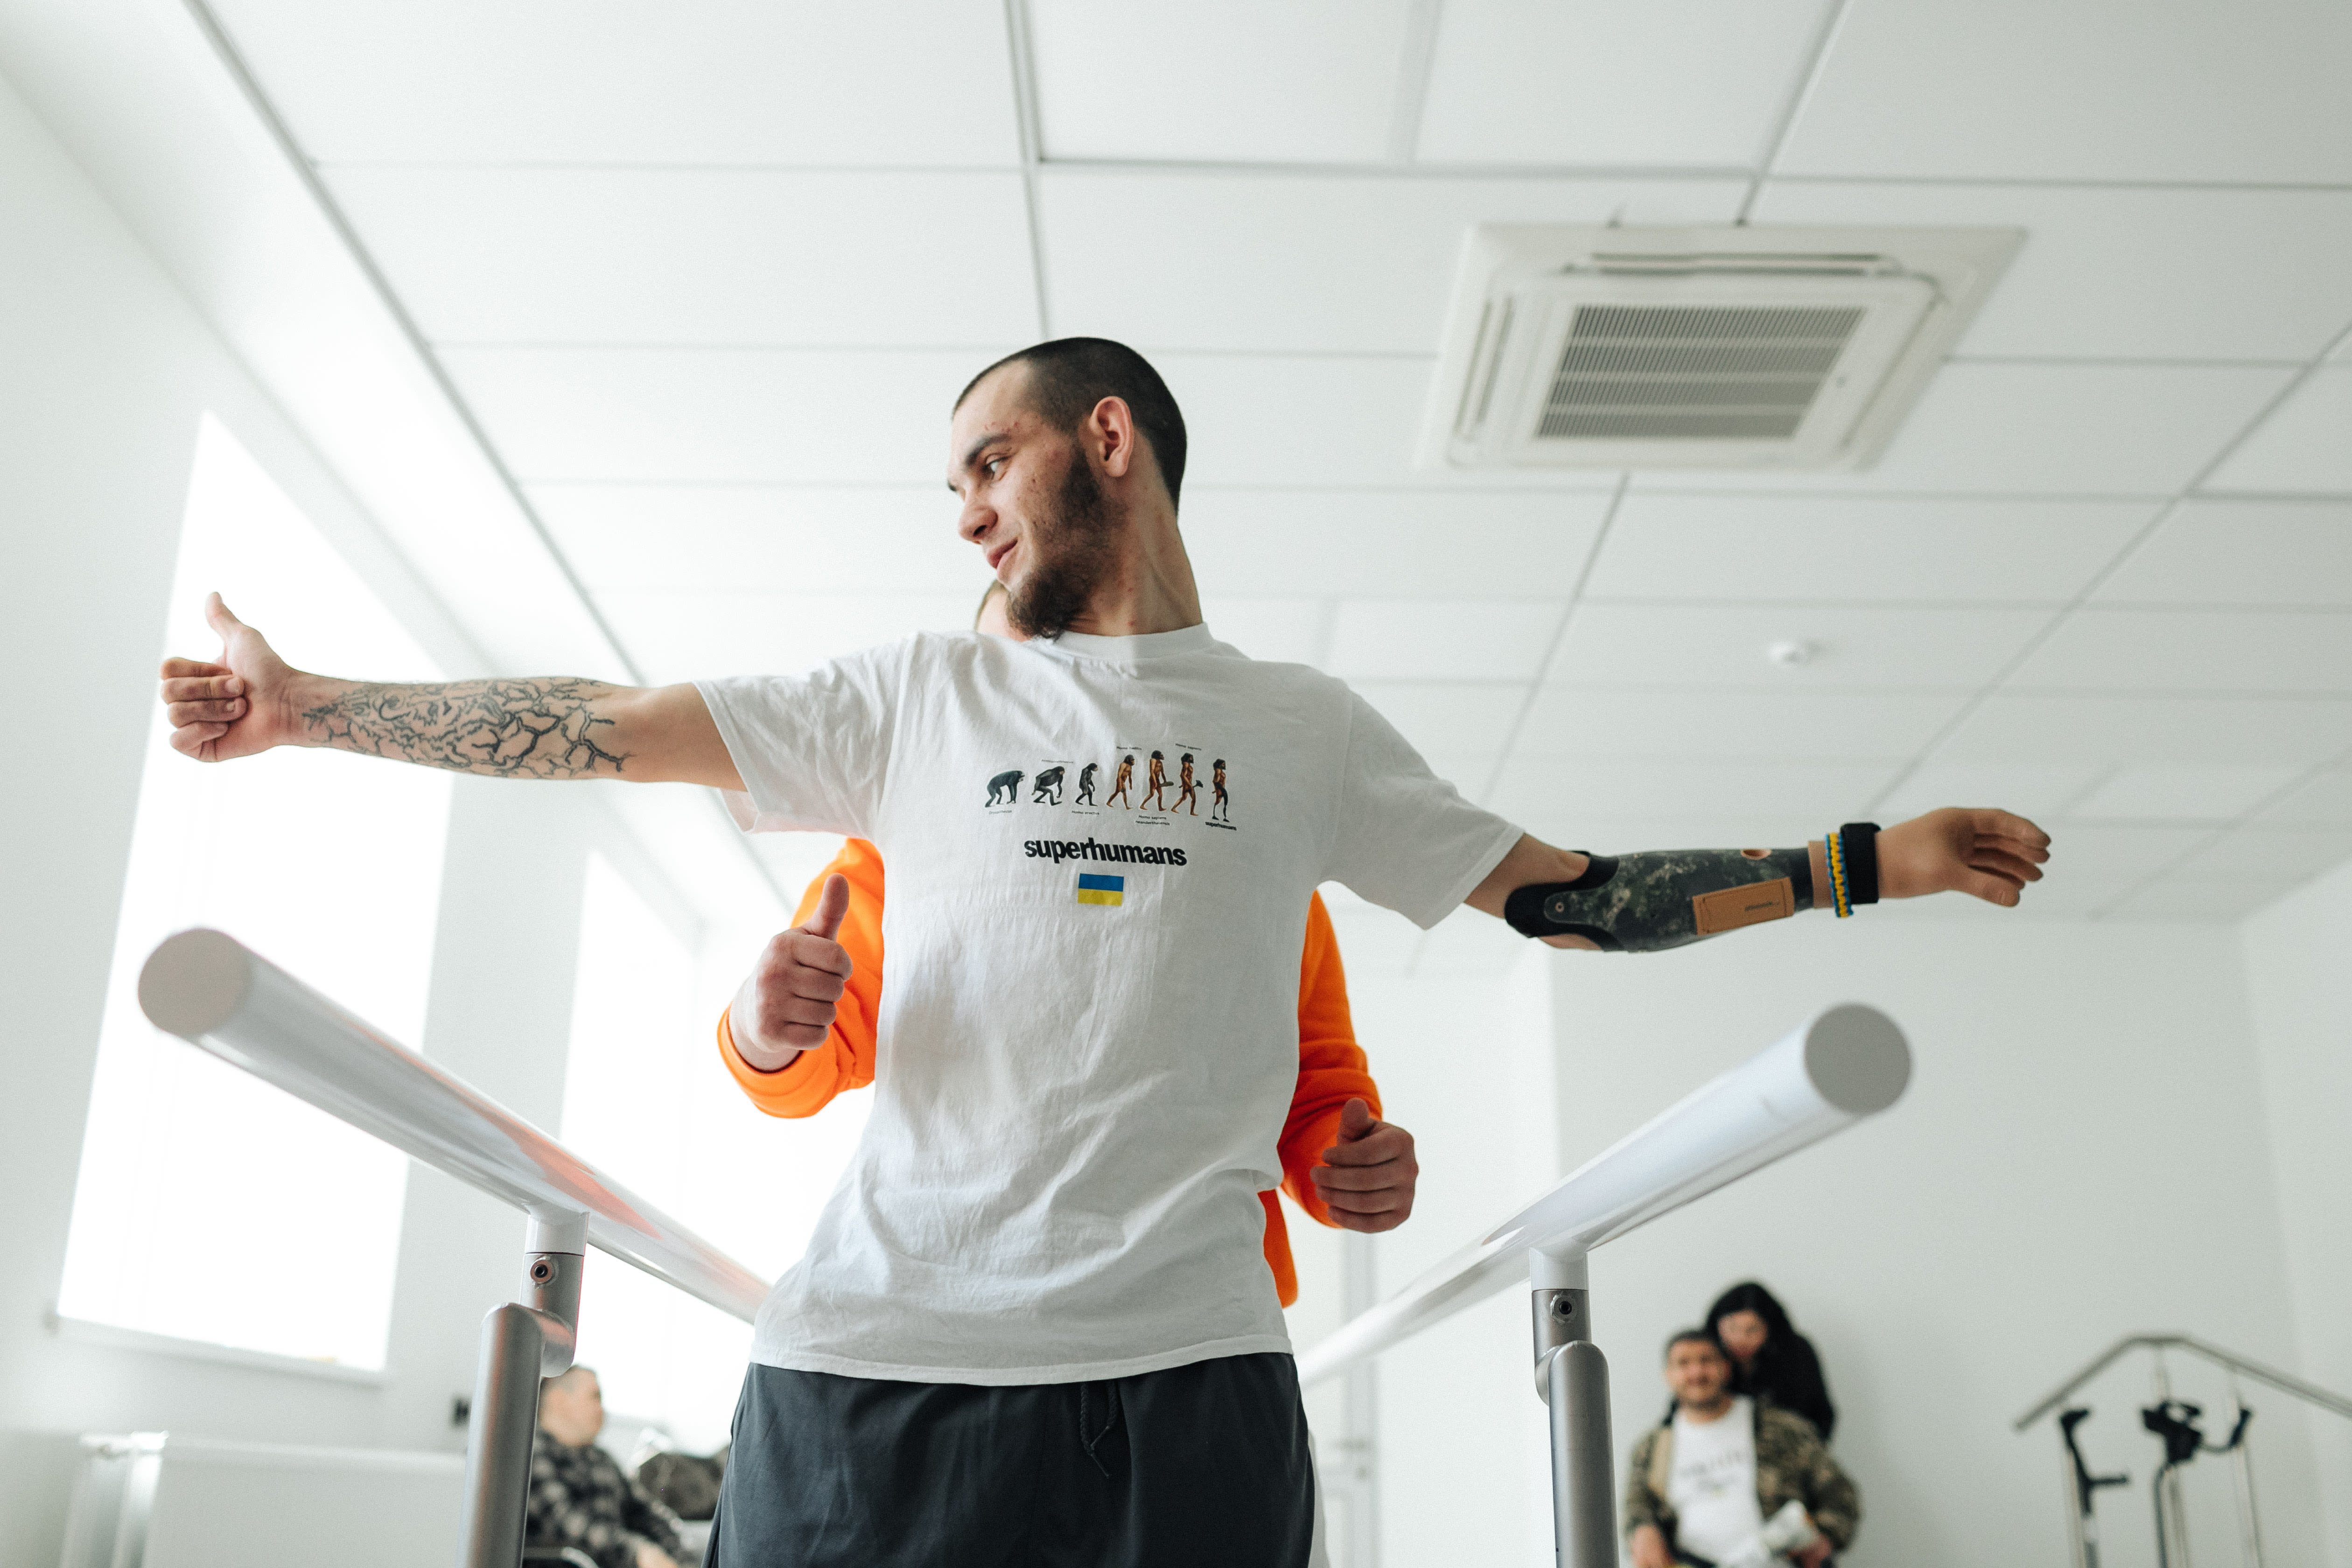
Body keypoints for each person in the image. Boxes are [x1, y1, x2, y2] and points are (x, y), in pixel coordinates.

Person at [157, 335, 2050, 1567]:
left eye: (988, 466)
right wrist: (314, 709)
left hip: (1186, 1381)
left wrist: (1861, 863)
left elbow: (1573, 896)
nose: (970, 518)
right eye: (957, 493)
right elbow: (603, 726)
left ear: (1107, 442)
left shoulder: (1303, 731)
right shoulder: (915, 698)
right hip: (875, 1366)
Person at [721, 582, 1420, 1313]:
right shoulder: (896, 859)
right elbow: (809, 1057)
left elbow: (1317, 1097)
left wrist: (1350, 1168)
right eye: (1009, 675)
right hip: (950, 1299)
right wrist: (762, 1027)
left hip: (1191, 1317)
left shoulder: (1260, 869)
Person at [1626, 1332, 1858, 1568]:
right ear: (1668, 1375)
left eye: (1706, 1361)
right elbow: (1637, 1507)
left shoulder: (1780, 1428)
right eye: (1683, 1363)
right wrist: (1642, 1531)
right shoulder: (1653, 1447)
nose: (1696, 1373)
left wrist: (1825, 1537)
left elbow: (1840, 1493)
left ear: (1726, 1368)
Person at [527, 1366, 686, 1568]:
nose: (601, 1410)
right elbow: (565, 1524)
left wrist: (680, 1556)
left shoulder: (602, 1459)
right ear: (558, 1401)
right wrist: (638, 1552)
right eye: (595, 1397)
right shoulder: (530, 1457)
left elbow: (648, 1513)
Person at [1709, 1281, 1837, 1442]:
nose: (1741, 1339)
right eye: (1732, 1328)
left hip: (1788, 1447)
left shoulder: (1795, 1353)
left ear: (1769, 1328)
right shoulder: (1703, 1356)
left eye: (1752, 1330)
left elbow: (1821, 1414)